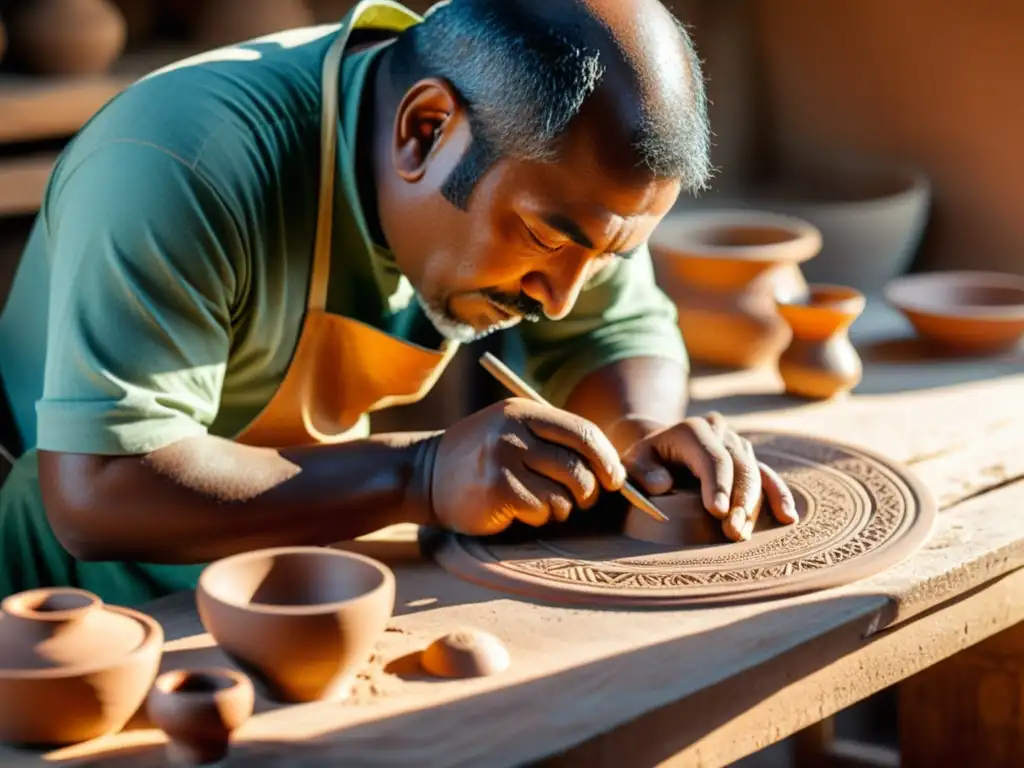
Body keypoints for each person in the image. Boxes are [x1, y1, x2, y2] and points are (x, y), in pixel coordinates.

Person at [0, 0, 797, 607]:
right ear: (424, 131)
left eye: (607, 255)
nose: (560, 299)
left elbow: (614, 330)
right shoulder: (176, 164)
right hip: (63, 606)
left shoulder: (565, 181)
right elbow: (100, 488)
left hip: (290, 571)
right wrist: (417, 473)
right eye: (546, 243)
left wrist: (645, 439)